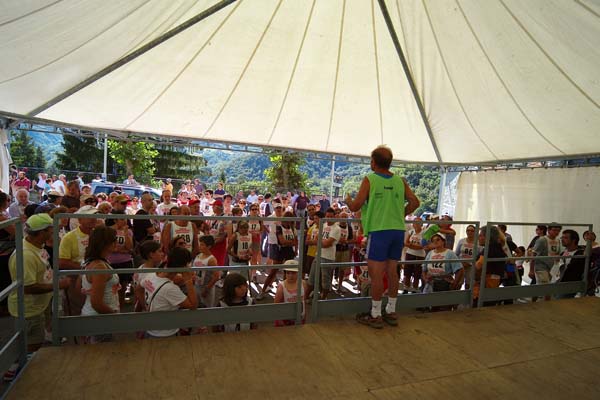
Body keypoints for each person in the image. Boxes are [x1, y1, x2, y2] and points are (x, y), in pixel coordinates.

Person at [345, 145, 420, 329]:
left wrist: (348, 201)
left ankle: (376, 314)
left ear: (374, 162)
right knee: (392, 272)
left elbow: (355, 206)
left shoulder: (370, 179)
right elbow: (415, 202)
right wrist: (401, 213)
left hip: (379, 231)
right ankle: (391, 311)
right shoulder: (400, 181)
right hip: (397, 231)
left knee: (376, 274)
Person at [4, 214, 70, 380]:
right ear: (41, 232)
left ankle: (21, 369)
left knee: (35, 340)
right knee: (30, 344)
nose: (54, 232)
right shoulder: (25, 255)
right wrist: (58, 285)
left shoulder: (37, 246)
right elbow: (28, 287)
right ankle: (19, 374)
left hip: (40, 304)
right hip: (29, 309)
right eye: (51, 230)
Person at [145, 247, 198, 339]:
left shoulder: (152, 274)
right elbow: (193, 305)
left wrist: (145, 306)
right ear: (184, 266)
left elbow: (138, 289)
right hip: (165, 333)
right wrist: (188, 280)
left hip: (151, 327)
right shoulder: (170, 288)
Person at [80, 226, 121, 343]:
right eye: (114, 239)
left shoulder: (90, 262)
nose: (116, 242)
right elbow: (96, 303)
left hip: (94, 315)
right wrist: (115, 317)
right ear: (106, 243)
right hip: (100, 319)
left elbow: (80, 289)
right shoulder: (99, 267)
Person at [58, 205, 100, 316]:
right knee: (76, 310)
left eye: (94, 216)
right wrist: (85, 267)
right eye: (89, 216)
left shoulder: (98, 234)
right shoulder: (69, 237)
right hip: (75, 279)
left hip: (96, 278)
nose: (93, 219)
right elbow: (62, 262)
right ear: (80, 219)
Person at [306, 208, 341, 300]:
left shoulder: (336, 229)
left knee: (325, 281)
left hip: (328, 257)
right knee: (311, 278)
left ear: (334, 217)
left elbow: (326, 244)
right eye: (327, 216)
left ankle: (323, 299)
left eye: (331, 217)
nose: (329, 218)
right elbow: (318, 239)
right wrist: (322, 241)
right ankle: (305, 298)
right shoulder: (324, 224)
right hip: (318, 254)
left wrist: (319, 241)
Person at [529, 223, 562, 300]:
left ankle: (533, 301)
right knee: (547, 288)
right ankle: (547, 305)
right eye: (554, 230)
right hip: (541, 266)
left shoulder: (558, 240)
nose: (556, 232)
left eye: (558, 230)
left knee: (540, 287)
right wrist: (531, 270)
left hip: (551, 267)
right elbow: (533, 255)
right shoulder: (542, 240)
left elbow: (557, 253)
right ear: (548, 230)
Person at [274, 259, 306, 326]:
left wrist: (304, 316)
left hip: (300, 317)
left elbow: (304, 301)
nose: (291, 276)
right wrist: (280, 321)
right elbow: (276, 306)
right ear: (285, 273)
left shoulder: (303, 283)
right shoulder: (281, 287)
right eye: (288, 273)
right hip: (285, 320)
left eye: (293, 273)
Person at [193, 235, 220, 308]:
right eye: (200, 244)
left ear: (209, 246)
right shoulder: (198, 256)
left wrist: (207, 289)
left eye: (202, 245)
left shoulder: (211, 260)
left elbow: (216, 276)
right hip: (197, 285)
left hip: (206, 287)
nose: (200, 246)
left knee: (206, 308)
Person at [403, 217, 426, 293]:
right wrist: (413, 246)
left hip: (420, 256)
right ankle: (406, 289)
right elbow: (406, 243)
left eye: (418, 223)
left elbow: (422, 246)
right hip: (409, 254)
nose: (416, 224)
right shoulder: (411, 231)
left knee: (417, 274)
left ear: (421, 224)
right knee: (407, 273)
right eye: (414, 222)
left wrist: (411, 245)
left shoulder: (424, 233)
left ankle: (415, 290)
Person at [454, 225, 479, 290]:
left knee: (469, 284)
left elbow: (479, 256)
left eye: (472, 231)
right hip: (460, 266)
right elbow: (456, 254)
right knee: (458, 284)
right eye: (468, 230)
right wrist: (459, 264)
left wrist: (469, 263)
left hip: (471, 267)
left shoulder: (478, 242)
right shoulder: (461, 241)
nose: (469, 232)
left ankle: (467, 296)